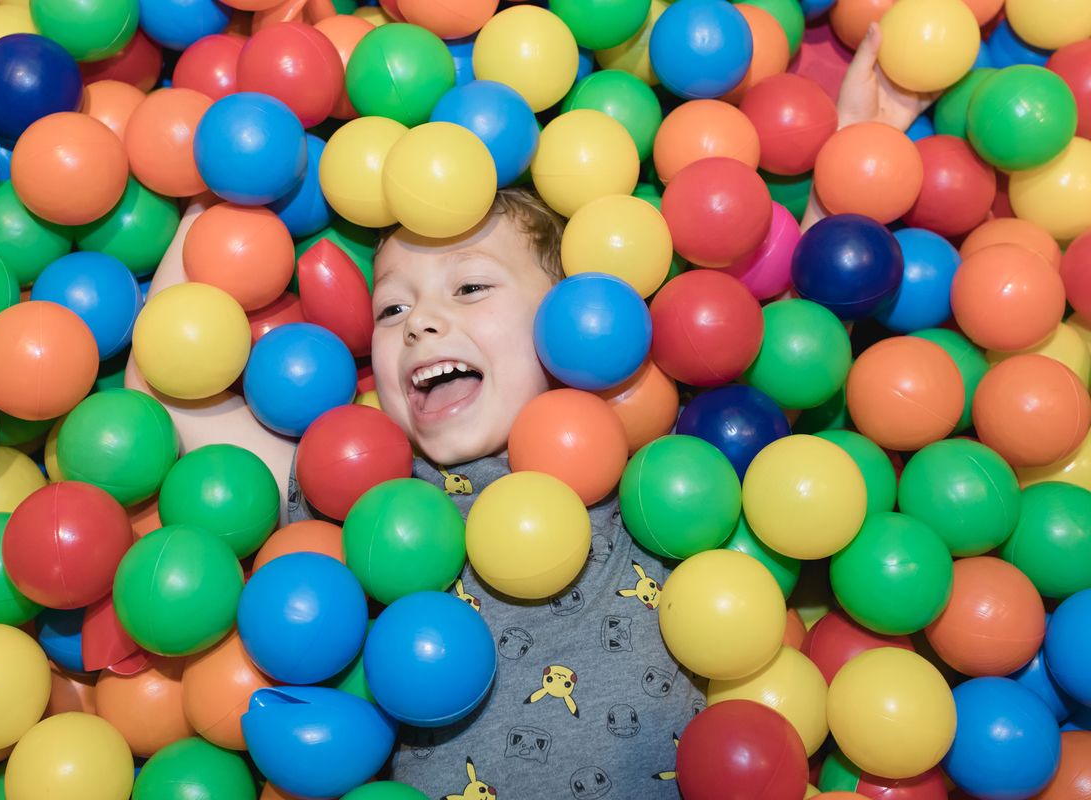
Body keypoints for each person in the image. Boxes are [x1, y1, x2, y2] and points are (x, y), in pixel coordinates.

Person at [124, 21, 936, 796]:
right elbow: (170, 393)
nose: (423, 324)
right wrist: (231, 187)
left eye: (471, 288)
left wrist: (860, 155)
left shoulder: (649, 449)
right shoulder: (355, 483)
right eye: (391, 311)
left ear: (575, 328)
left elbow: (787, 344)